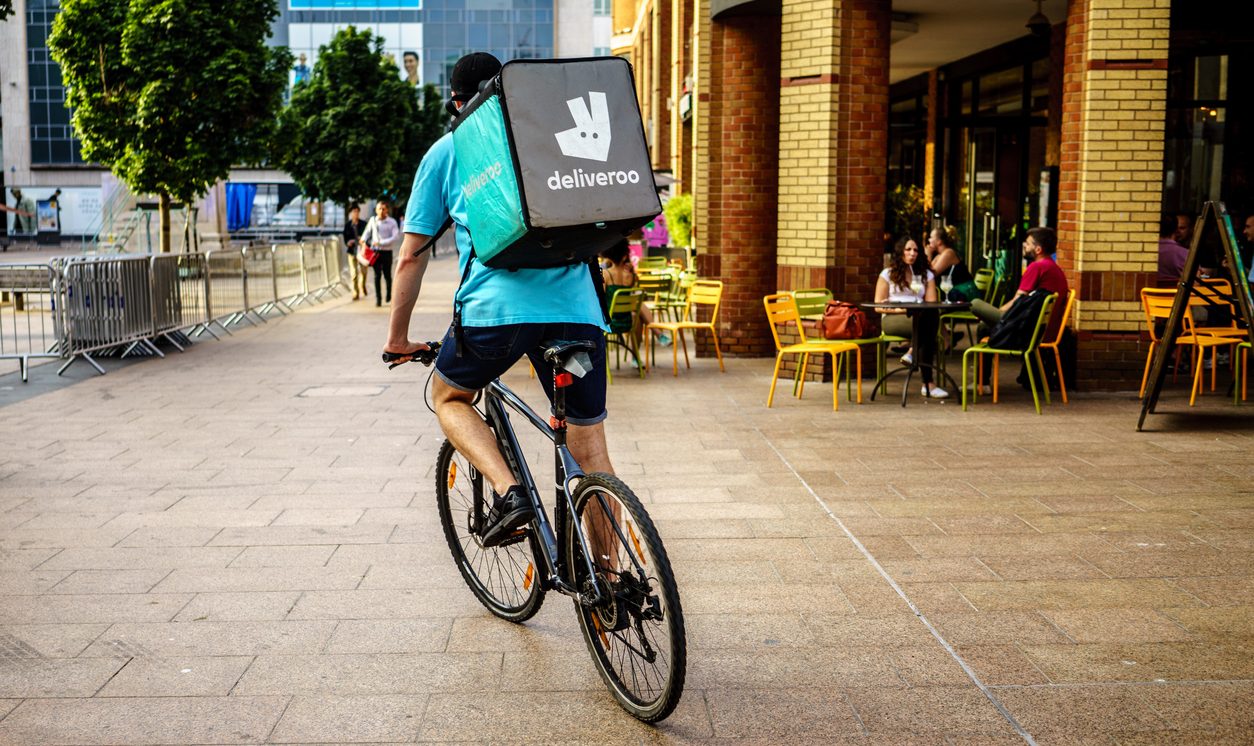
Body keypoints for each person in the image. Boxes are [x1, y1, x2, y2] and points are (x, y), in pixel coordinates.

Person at [382, 52, 612, 547]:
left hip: (494, 313)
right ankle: (611, 587)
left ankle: (511, 494)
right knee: (591, 453)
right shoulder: (556, 140)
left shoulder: (448, 152)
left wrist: (398, 338)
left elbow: (409, 259)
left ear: (458, 104)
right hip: (577, 309)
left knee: (448, 396)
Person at [970, 226, 1070, 392]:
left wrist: (994, 313)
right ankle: (982, 383)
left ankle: (982, 384)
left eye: (1028, 243)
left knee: (975, 305)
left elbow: (1017, 301)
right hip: (1044, 329)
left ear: (1038, 249)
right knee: (985, 324)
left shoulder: (1037, 267)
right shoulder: (1053, 267)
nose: (1024, 245)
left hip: (1028, 330)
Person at [875, 236, 948, 399]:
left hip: (920, 317)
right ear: (900, 253)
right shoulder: (887, 274)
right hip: (894, 318)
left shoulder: (925, 274)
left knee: (929, 317)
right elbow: (878, 306)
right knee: (928, 329)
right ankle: (928, 384)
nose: (912, 253)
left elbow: (931, 303)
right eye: (908, 250)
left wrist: (915, 308)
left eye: (915, 250)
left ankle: (912, 351)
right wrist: (901, 310)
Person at [361, 200, 400, 306]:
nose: (381, 211)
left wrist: (381, 242)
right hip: (375, 252)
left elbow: (395, 236)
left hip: (387, 252)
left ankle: (389, 294)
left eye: (383, 209)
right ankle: (378, 299)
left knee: (387, 275)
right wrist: (363, 240)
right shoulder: (373, 221)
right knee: (377, 275)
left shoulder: (392, 222)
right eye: (379, 209)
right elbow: (367, 232)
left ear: (387, 210)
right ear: (376, 210)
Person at [342, 205, 368, 301]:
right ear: (351, 213)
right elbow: (345, 237)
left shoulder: (363, 224)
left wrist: (362, 239)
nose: (355, 213)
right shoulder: (347, 225)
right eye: (354, 211)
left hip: (362, 252)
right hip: (352, 251)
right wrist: (348, 242)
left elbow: (368, 236)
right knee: (354, 273)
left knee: (363, 272)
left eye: (357, 211)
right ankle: (355, 292)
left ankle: (362, 285)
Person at [1157, 213, 1189, 287]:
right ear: (1176, 229)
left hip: (1150, 297)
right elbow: (1196, 279)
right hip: (1177, 296)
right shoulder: (1185, 254)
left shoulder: (1147, 253)